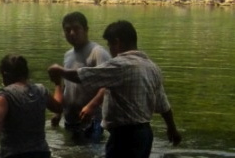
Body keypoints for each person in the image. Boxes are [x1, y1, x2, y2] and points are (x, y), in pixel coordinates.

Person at [48, 20, 182, 158]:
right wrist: (172, 128)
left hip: (124, 136)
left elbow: (84, 76)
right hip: (145, 134)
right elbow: (164, 105)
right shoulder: (152, 67)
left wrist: (60, 71)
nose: (110, 51)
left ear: (117, 42)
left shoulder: (120, 65)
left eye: (110, 45)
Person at [0, 54, 63, 158]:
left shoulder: (5, 95)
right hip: (42, 153)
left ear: (4, 75)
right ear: (26, 73)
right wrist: (58, 84)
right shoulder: (41, 90)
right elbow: (58, 108)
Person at [51, 11, 111, 142]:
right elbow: (67, 86)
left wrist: (91, 106)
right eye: (68, 30)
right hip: (70, 119)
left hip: (92, 119)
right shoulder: (68, 55)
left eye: (76, 29)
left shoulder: (97, 52)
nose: (72, 33)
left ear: (86, 30)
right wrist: (58, 113)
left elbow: (108, 84)